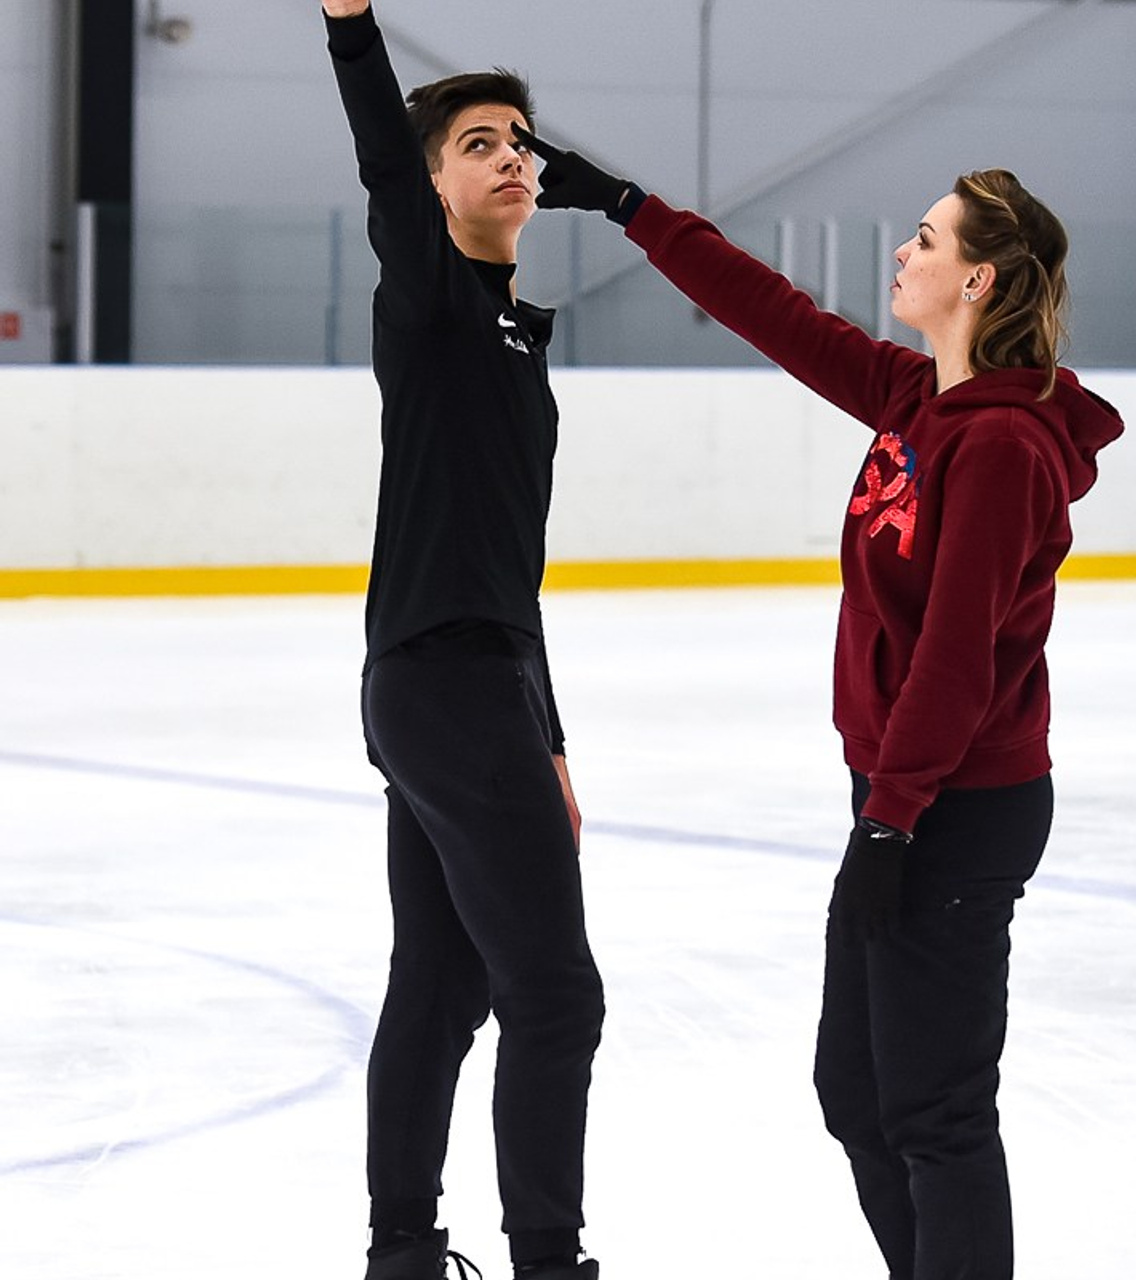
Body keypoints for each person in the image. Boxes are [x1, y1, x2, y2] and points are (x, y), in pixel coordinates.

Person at [516, 129, 1123, 1280]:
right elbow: (776, 314)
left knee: (934, 1111)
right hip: (899, 792)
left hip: (956, 802)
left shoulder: (998, 442)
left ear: (977, 280)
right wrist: (632, 207)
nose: (901, 250)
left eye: (926, 238)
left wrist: (892, 816)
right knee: (854, 1089)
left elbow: (957, 652)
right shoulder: (914, 396)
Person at [320, 5, 604, 1279]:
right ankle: (547, 1258)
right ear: (434, 183)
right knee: (556, 995)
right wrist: (352, 27)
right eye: (477, 143)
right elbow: (385, 159)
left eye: (520, 145)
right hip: (443, 682)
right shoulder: (432, 301)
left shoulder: (513, 334)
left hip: (465, 689)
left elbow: (514, 572)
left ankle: (400, 1252)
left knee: (440, 987)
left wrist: (546, 738)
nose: (510, 160)